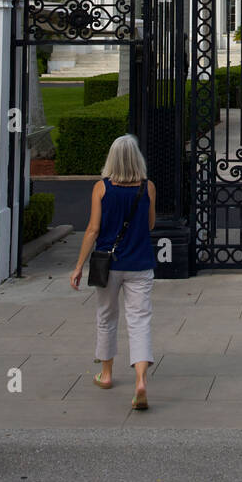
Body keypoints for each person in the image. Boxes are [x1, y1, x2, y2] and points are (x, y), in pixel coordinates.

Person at [70, 134, 156, 410]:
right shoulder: (147, 188)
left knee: (106, 316)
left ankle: (106, 374)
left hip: (109, 263)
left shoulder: (102, 189)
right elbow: (150, 225)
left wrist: (79, 265)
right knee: (139, 320)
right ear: (136, 158)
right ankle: (140, 380)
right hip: (140, 263)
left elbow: (93, 230)